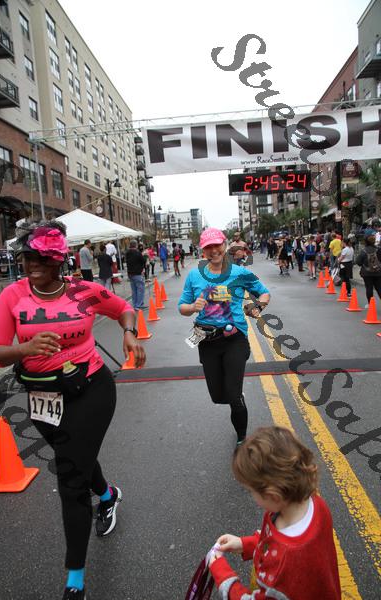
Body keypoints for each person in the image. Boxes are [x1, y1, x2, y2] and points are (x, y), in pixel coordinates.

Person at [0, 220, 146, 600]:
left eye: (42, 258)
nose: (32, 265)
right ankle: (107, 495)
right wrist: (23, 350)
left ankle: (75, 581)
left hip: (91, 389)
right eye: (28, 257)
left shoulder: (83, 291)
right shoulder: (12, 296)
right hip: (41, 395)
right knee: (76, 458)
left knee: (71, 479)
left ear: (59, 260)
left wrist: (129, 332)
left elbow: (123, 308)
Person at [208, 426, 341, 600]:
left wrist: (222, 574)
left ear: (273, 496)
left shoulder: (281, 568)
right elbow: (273, 543)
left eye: (251, 491)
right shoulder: (315, 503)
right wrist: (245, 544)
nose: (251, 496)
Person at [178, 228, 270, 446]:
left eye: (217, 245)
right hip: (207, 340)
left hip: (234, 339)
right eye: (208, 247)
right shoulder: (194, 276)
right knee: (218, 396)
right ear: (202, 250)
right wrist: (192, 307)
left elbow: (264, 292)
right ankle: (234, 394)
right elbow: (182, 307)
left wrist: (257, 306)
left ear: (225, 245)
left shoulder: (240, 273)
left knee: (234, 396)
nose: (213, 250)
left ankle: (242, 440)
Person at [356, 230, 381, 304]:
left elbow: (358, 262)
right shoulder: (378, 250)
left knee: (369, 288)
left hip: (367, 273)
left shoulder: (364, 251)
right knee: (379, 288)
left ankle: (371, 304)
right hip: (378, 272)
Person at [126, 239, 146, 310]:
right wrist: (143, 255)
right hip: (137, 273)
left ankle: (135, 304)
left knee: (134, 290)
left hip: (130, 273)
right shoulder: (137, 253)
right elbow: (143, 260)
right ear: (136, 245)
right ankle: (138, 304)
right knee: (140, 289)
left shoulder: (127, 253)